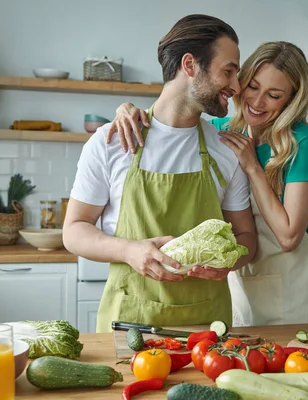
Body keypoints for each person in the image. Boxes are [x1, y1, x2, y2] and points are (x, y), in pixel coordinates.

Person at [106, 41, 308, 326]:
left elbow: (288, 237)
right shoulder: (223, 131)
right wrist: (127, 110)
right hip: (237, 278)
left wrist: (252, 166)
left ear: (291, 100)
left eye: (273, 95)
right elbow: (171, 118)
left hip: (288, 283)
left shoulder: (302, 142)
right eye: (253, 87)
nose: (257, 102)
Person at [63, 14, 257, 333]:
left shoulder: (226, 150)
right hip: (130, 324)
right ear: (190, 65)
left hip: (207, 332)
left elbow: (247, 239)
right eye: (229, 71)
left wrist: (228, 264)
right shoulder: (112, 142)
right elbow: (73, 230)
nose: (237, 87)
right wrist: (129, 251)